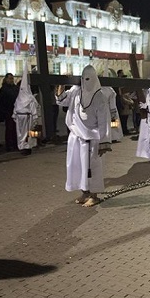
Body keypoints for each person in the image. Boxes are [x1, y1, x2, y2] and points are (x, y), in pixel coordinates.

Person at [55, 65, 112, 207]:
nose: (86, 82)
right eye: (83, 79)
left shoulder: (100, 97)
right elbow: (61, 100)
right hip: (76, 137)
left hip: (93, 139)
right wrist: (61, 83)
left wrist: (104, 142)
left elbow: (104, 122)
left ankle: (94, 195)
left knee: (93, 168)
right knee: (78, 167)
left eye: (88, 79)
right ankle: (84, 192)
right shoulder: (75, 91)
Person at [13, 62, 40, 155]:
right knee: (25, 133)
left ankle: (23, 146)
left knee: (21, 133)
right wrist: (35, 117)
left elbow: (15, 107)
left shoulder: (20, 97)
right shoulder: (30, 97)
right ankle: (25, 146)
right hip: (26, 117)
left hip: (21, 117)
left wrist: (15, 116)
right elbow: (34, 108)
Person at [0, 73, 19, 151]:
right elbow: (3, 101)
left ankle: (15, 143)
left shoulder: (16, 88)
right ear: (6, 79)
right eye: (9, 78)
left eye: (12, 78)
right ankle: (9, 145)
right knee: (10, 129)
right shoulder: (4, 89)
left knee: (16, 129)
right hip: (8, 111)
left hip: (16, 111)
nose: (11, 80)